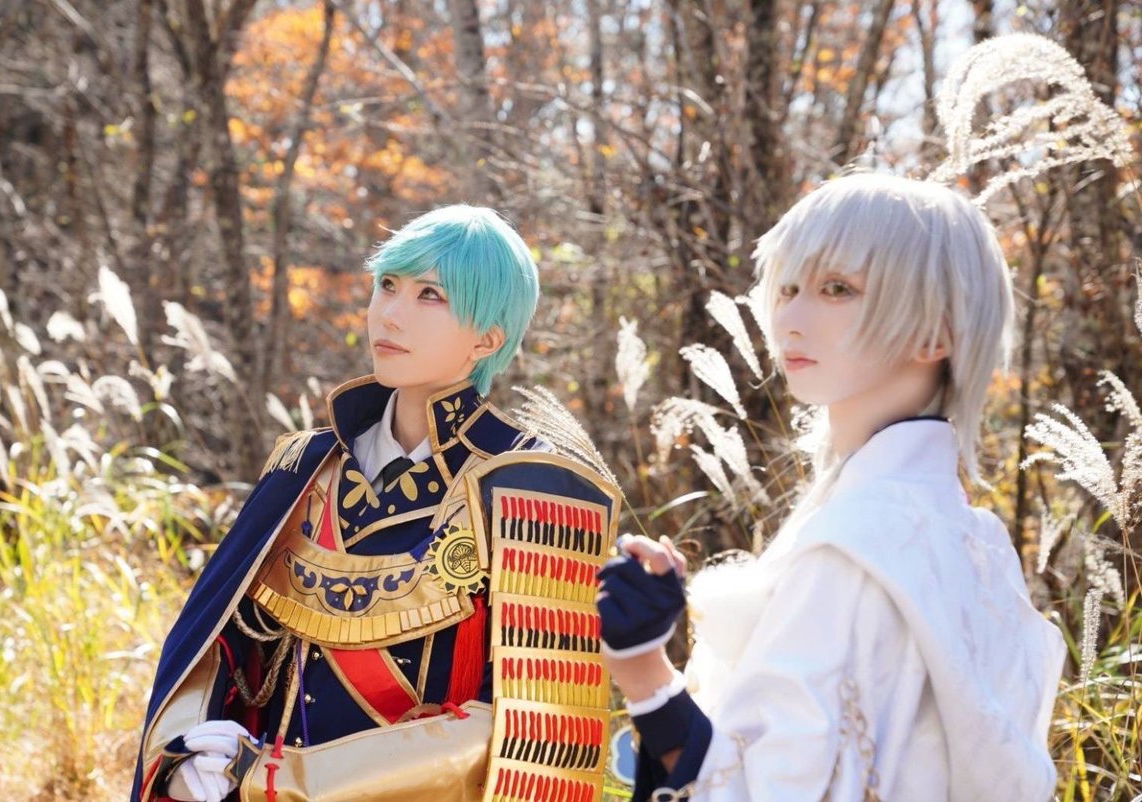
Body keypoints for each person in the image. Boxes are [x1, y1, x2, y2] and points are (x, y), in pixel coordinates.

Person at [596, 173, 1066, 801]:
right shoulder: (968, 537)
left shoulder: (859, 544)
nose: (789, 318)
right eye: (787, 288)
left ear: (937, 334)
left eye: (837, 289)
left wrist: (641, 668)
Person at [133, 205, 619, 802]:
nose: (389, 313)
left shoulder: (537, 488)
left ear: (487, 338)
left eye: (430, 295)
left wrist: (277, 779)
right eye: (387, 284)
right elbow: (214, 647)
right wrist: (185, 751)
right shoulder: (304, 467)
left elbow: (534, 734)